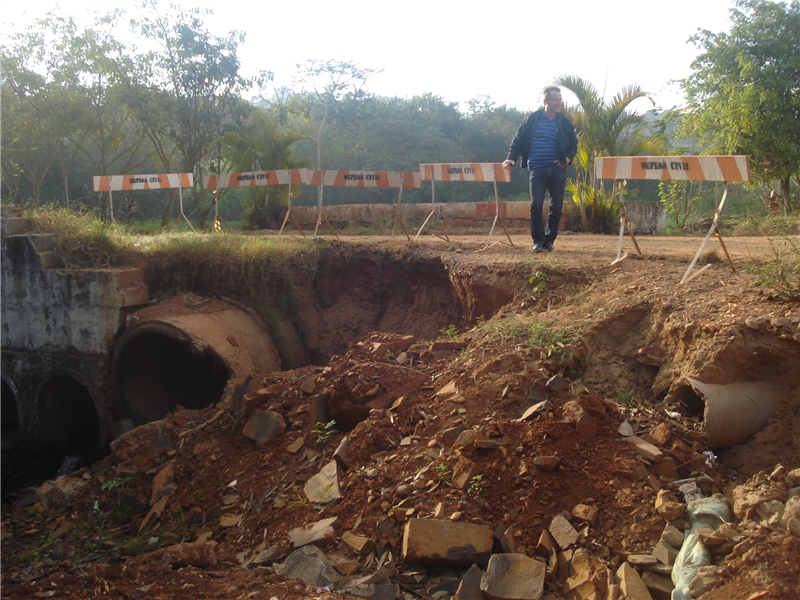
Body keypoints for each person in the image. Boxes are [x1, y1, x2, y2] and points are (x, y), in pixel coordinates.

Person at [503, 86, 578, 252]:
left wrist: (566, 158)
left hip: (558, 169)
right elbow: (518, 139)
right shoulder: (532, 119)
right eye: (555, 100)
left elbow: (573, 144)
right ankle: (538, 240)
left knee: (556, 206)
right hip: (537, 169)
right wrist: (511, 158)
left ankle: (549, 240)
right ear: (545, 101)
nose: (559, 103)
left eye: (560, 99)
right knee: (536, 204)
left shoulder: (564, 122)